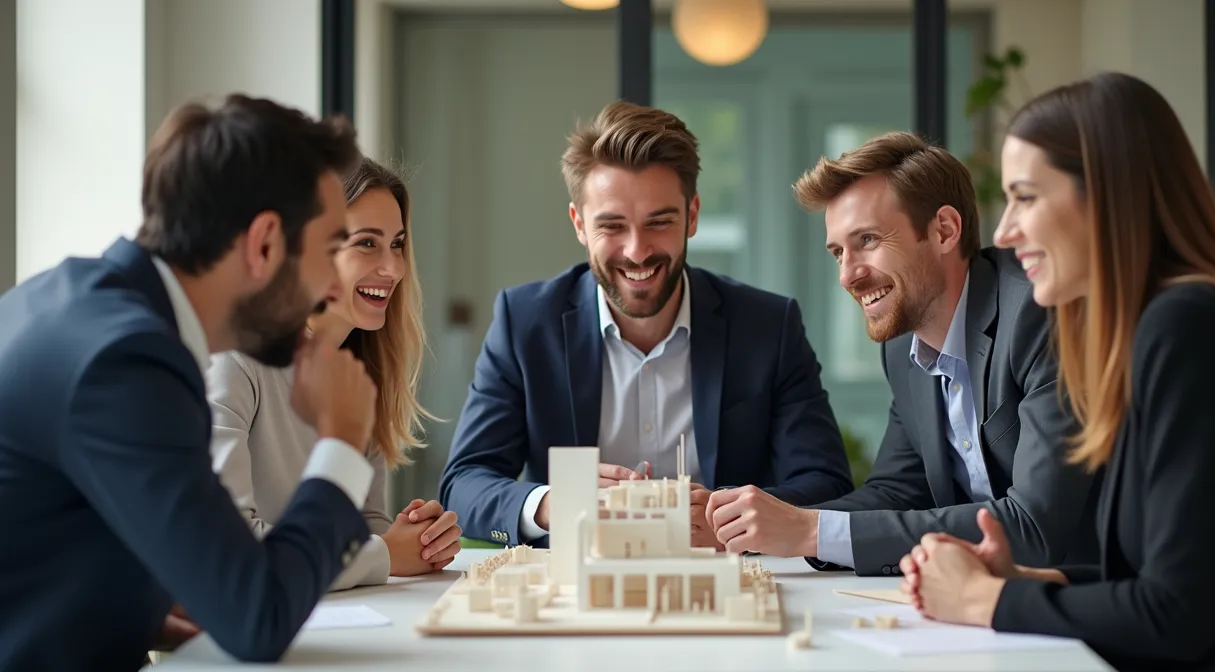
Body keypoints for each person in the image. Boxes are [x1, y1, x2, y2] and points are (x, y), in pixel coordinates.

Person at [899, 72, 1215, 670]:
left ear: (1107, 194)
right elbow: (1171, 576)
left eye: (1027, 196)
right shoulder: (1166, 324)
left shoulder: (1192, 326)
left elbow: (1174, 617)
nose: (1007, 230)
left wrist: (984, 598)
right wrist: (1024, 579)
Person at [0, 95, 382, 670]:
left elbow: (45, 540)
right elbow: (261, 621)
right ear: (264, 244)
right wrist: (342, 440)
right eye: (331, 251)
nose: (332, 286)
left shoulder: (69, 301)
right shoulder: (127, 363)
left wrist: (138, 604)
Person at [439, 101, 854, 549]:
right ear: (579, 224)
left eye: (659, 222)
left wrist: (729, 519)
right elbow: (463, 484)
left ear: (692, 216)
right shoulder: (524, 323)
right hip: (571, 593)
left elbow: (826, 484)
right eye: (612, 226)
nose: (637, 252)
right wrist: (551, 503)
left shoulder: (769, 326)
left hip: (723, 587)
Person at [704, 131, 1100, 577]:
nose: (847, 276)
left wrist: (810, 530)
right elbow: (895, 492)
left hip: (1090, 614)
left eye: (868, 240)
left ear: (945, 230)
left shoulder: (1038, 314)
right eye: (838, 252)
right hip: (982, 607)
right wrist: (748, 522)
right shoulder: (902, 346)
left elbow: (1033, 527)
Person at [207, 157, 461, 591]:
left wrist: (416, 539)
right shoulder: (233, 359)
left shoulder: (361, 373)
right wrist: (385, 553)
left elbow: (362, 530)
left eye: (397, 243)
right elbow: (231, 550)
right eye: (367, 243)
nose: (394, 268)